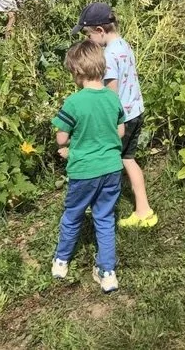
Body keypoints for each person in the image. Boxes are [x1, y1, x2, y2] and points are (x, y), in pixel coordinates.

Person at [72, 2, 158, 229]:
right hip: (136, 110)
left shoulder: (108, 57)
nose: (88, 39)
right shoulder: (123, 45)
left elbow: (110, 96)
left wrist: (103, 121)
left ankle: (98, 204)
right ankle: (143, 209)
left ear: (100, 31)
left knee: (105, 160)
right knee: (127, 159)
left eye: (88, 34)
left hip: (122, 117)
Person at [51, 40, 125, 293]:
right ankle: (107, 272)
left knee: (73, 215)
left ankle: (61, 261)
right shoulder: (113, 99)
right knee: (104, 218)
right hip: (112, 168)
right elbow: (121, 130)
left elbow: (62, 137)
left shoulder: (74, 103)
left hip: (84, 171)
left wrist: (67, 146)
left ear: (77, 72)